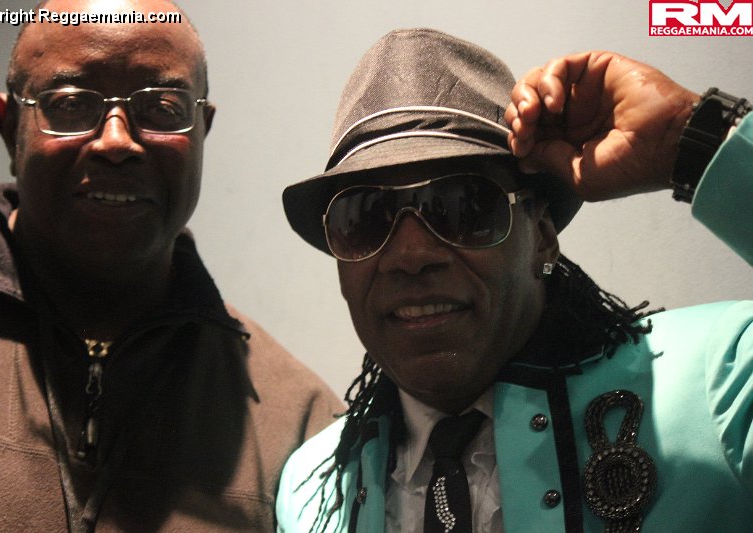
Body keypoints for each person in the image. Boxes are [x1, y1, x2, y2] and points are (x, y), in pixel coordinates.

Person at [275, 28, 753, 532]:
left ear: (542, 237)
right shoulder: (310, 493)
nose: (411, 256)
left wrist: (689, 140)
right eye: (364, 218)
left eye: (463, 206)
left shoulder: (718, 384)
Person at [0, 0, 341, 531]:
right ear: (9, 127)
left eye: (161, 106)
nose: (116, 142)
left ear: (202, 130)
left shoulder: (301, 429)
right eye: (71, 104)